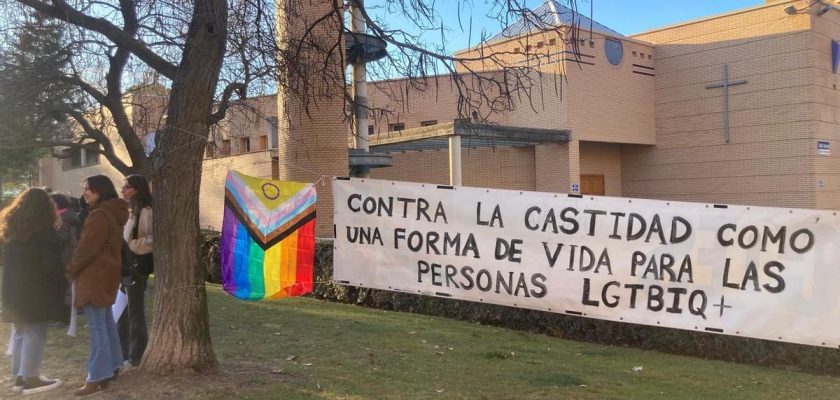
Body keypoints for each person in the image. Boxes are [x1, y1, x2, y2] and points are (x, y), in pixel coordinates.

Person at [65, 175, 128, 396]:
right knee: (106, 323)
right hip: (107, 274)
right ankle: (111, 368)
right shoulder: (112, 212)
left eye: (88, 190)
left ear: (100, 190)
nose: (84, 193)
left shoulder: (100, 215)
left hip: (94, 276)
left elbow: (86, 249)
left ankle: (95, 376)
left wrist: (70, 270)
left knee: (98, 327)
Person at [0, 188, 66, 395]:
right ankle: (31, 378)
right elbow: (51, 265)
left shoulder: (11, 231)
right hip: (36, 289)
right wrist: (62, 283)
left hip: (13, 288)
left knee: (20, 332)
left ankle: (20, 377)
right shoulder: (45, 233)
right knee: (35, 332)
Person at [117, 175, 153, 367]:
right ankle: (123, 354)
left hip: (137, 267)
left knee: (134, 311)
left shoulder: (146, 212)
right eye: (123, 186)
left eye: (127, 187)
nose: (123, 190)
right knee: (122, 311)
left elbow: (152, 239)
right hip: (125, 266)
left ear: (137, 189)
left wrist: (130, 245)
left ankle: (137, 355)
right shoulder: (132, 211)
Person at [52, 193, 81, 325]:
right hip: (68, 255)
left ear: (57, 204)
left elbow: (61, 238)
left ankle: (64, 318)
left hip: (65, 256)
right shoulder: (68, 215)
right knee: (66, 287)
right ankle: (63, 317)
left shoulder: (62, 217)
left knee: (65, 288)